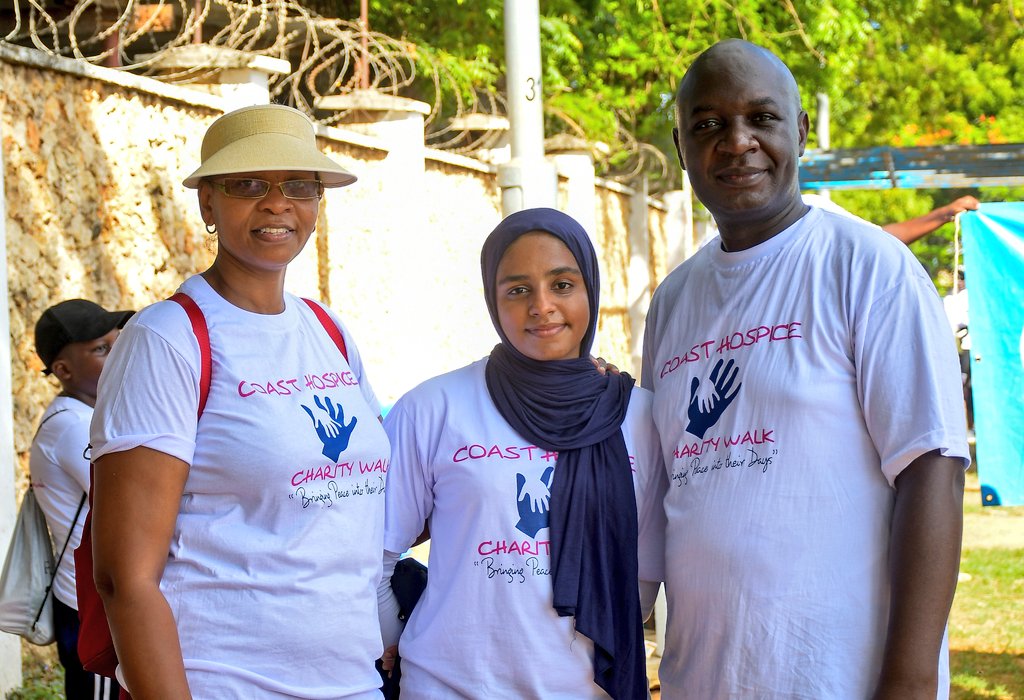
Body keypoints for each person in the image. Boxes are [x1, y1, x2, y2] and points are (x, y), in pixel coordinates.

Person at [642, 39, 969, 699]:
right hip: (701, 681)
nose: (737, 143)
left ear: (802, 129)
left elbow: (931, 468)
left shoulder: (867, 267)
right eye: (708, 125)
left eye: (760, 118)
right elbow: (662, 491)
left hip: (837, 678)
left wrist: (905, 685)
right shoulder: (673, 300)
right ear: (681, 147)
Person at [88, 104, 391, 698]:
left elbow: (374, 487)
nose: (277, 203)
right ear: (208, 204)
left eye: (299, 186)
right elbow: (124, 577)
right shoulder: (168, 339)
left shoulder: (327, 332)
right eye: (248, 184)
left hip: (350, 683)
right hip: (224, 682)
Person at [381, 207, 667, 699]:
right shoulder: (433, 408)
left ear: (590, 290)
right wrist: (388, 643)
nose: (541, 306)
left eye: (562, 284)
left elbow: (640, 580)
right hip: (452, 687)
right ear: (493, 301)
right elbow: (377, 558)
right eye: (517, 290)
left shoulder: (637, 417)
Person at [29, 299, 132, 699]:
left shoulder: (83, 418)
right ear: (63, 370)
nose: (117, 353)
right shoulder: (70, 427)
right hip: (89, 602)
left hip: (90, 595)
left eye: (116, 342)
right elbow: (128, 498)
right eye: (101, 349)